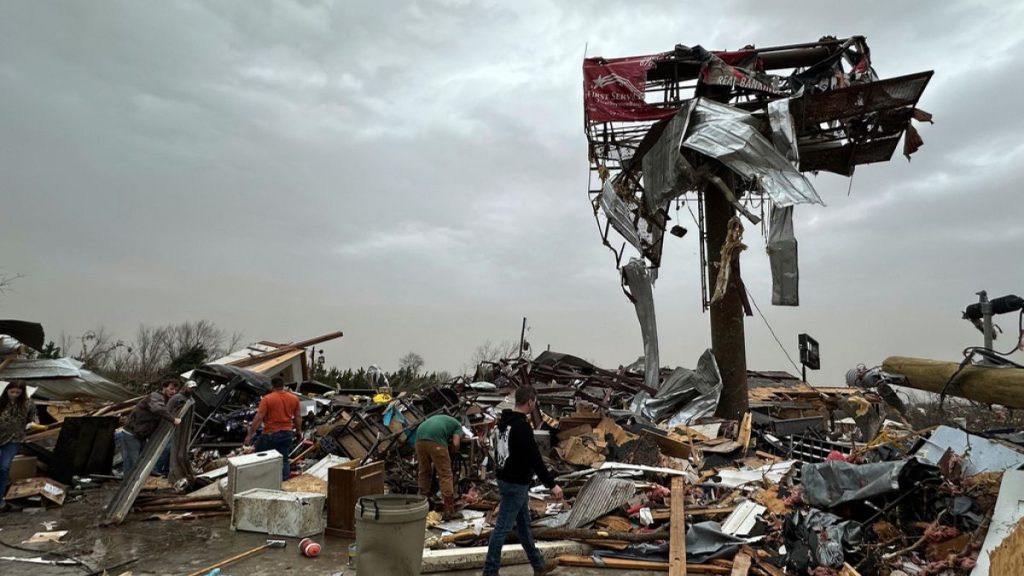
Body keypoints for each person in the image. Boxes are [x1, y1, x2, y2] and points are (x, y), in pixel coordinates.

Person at [483, 385, 562, 576]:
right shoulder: (521, 427)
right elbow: (534, 458)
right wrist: (551, 485)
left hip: (506, 479)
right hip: (515, 483)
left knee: (524, 525)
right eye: (535, 402)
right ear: (530, 402)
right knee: (502, 528)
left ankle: (538, 565)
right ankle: (490, 571)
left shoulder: (505, 423)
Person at [244, 377, 301, 480]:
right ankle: (284, 483)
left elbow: (259, 417)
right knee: (284, 460)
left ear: (272, 386)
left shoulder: (267, 399)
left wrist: (249, 435)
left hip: (271, 434)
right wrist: (299, 432)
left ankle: (257, 480)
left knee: (257, 455)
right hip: (287, 434)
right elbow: (298, 417)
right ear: (283, 385)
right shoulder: (294, 399)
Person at [122, 379, 182, 477]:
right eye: (171, 389)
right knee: (133, 462)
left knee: (143, 462)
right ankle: (127, 487)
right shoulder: (155, 396)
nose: (173, 392)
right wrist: (173, 419)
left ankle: (137, 484)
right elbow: (157, 409)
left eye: (176, 390)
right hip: (132, 433)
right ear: (164, 387)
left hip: (141, 435)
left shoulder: (166, 401)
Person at [414, 413, 464, 519]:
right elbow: (455, 443)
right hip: (435, 442)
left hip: (419, 439)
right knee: (445, 474)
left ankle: (421, 506)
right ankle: (449, 511)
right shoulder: (457, 425)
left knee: (424, 472)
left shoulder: (440, 418)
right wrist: (452, 453)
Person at [0, 381, 38, 511]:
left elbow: (33, 416)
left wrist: (32, 423)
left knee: (4, 468)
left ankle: (0, 500)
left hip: (14, 439)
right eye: (12, 392)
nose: (14, 395)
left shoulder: (27, 404)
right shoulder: (1, 401)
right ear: (7, 391)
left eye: (18, 392)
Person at [154, 380, 196, 476]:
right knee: (167, 448)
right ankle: (157, 470)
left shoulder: (192, 400)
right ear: (186, 387)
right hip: (172, 426)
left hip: (184, 428)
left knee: (176, 450)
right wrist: (168, 422)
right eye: (190, 388)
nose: (191, 390)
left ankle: (168, 470)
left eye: (193, 388)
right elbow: (167, 410)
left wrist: (192, 426)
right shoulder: (177, 397)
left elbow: (192, 414)